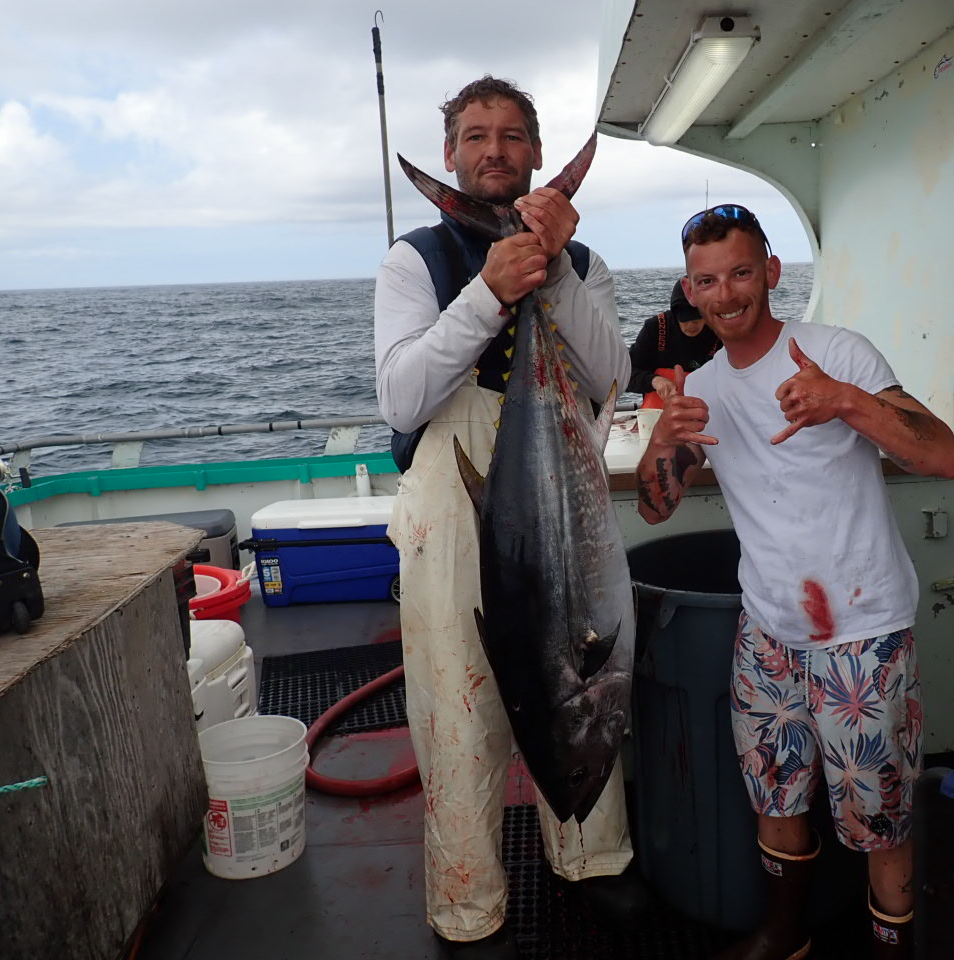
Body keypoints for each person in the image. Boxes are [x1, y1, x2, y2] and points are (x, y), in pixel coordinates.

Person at [635, 204, 954, 960]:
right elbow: (655, 506)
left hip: (864, 632)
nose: (726, 294)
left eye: (741, 272)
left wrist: (845, 401)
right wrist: (663, 438)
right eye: (708, 280)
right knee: (774, 794)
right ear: (692, 289)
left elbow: (942, 457)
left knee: (881, 819)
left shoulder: (836, 352)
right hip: (769, 632)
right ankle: (786, 934)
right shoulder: (706, 389)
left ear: (772, 273)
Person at [374, 76, 645, 959]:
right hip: (452, 493)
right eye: (476, 135)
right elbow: (404, 394)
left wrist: (555, 271)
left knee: (582, 662)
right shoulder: (412, 260)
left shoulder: (584, 259)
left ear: (536, 152)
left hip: (554, 472)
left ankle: (592, 860)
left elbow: (611, 378)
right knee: (458, 705)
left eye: (514, 135)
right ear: (452, 154)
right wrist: (490, 290)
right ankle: (468, 904)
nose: (495, 149)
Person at [627, 278, 721, 407]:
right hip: (660, 413)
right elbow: (625, 375)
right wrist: (654, 380)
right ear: (675, 313)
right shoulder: (655, 328)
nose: (692, 325)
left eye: (698, 318)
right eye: (685, 319)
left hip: (709, 409)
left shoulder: (719, 328)